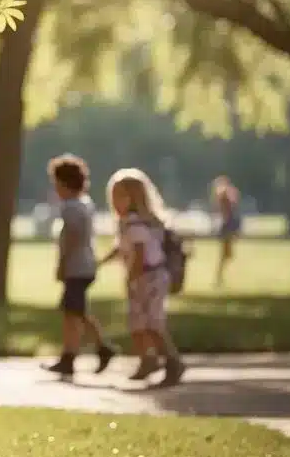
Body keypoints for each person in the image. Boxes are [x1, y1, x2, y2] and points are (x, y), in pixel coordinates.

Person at [103, 168, 185, 386]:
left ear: (134, 198)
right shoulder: (128, 224)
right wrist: (104, 261)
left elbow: (139, 253)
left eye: (120, 196)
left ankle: (172, 360)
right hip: (143, 277)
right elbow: (122, 248)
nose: (115, 201)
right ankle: (147, 359)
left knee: (152, 324)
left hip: (149, 277)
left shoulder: (135, 223)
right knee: (137, 324)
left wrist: (131, 278)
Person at [44, 155, 116, 377]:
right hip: (85, 265)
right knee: (76, 311)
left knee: (72, 313)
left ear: (64, 184)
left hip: (77, 267)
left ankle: (70, 356)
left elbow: (72, 238)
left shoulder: (71, 208)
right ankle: (101, 348)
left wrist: (62, 264)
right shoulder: (84, 204)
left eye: (56, 183)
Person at [213, 176, 241, 288]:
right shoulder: (224, 195)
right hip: (228, 226)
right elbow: (228, 210)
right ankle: (219, 279)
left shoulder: (224, 194)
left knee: (227, 255)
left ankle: (219, 278)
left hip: (228, 225)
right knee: (225, 255)